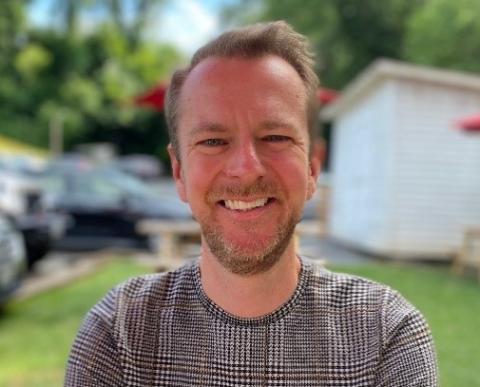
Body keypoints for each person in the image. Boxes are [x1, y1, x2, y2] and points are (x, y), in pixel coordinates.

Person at [65, 21, 438, 386]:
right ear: (179, 173)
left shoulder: (385, 333)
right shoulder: (120, 331)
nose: (245, 169)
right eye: (213, 141)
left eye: (275, 136)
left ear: (312, 168)